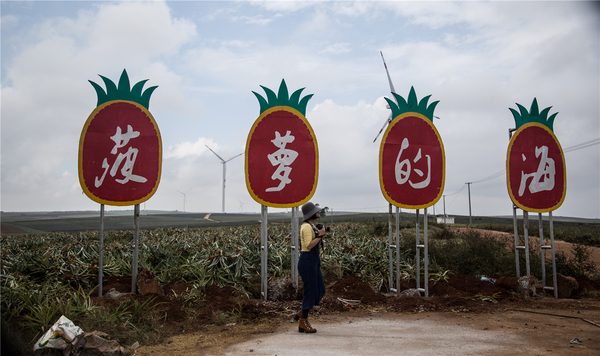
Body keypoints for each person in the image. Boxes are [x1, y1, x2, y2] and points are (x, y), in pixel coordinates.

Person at [295, 202, 327, 333]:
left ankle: (301, 312)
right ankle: (303, 322)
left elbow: (315, 242)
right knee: (311, 290)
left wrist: (321, 235)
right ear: (311, 213)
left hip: (313, 260)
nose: (318, 212)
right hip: (308, 259)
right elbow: (308, 245)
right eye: (316, 211)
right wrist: (319, 236)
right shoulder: (307, 227)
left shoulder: (310, 226)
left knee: (321, 289)